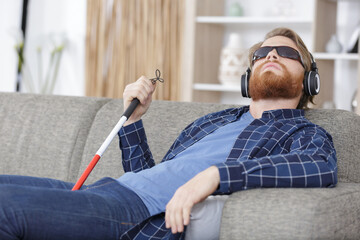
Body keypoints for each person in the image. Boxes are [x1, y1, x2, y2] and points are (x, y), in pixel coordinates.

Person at [0, 27, 337, 240]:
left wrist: (216, 176)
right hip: (107, 190)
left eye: (286, 53)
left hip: (133, 213)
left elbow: (320, 166)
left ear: (310, 80)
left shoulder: (303, 132)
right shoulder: (212, 122)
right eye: (261, 53)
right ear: (247, 76)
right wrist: (134, 120)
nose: (271, 54)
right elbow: (147, 175)